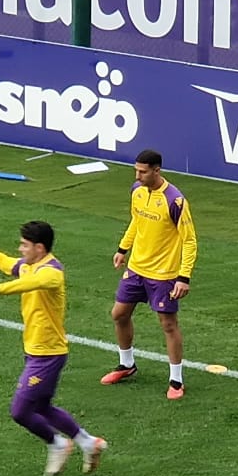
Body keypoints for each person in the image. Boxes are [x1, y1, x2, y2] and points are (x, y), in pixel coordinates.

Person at [0, 223, 108, 476]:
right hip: (34, 350)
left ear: (39, 248)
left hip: (48, 354)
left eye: (24, 245)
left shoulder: (52, 273)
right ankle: (88, 443)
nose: (20, 249)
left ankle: (58, 443)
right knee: (42, 407)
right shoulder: (27, 266)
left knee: (20, 411)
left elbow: (30, 284)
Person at [100, 149, 198, 400]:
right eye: (136, 170)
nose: (137, 176)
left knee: (168, 324)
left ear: (157, 170)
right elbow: (136, 221)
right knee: (119, 314)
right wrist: (123, 248)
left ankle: (176, 380)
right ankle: (127, 364)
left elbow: (189, 241)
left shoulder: (175, 201)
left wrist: (183, 277)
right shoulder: (137, 191)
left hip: (164, 274)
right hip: (136, 268)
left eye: (143, 172)